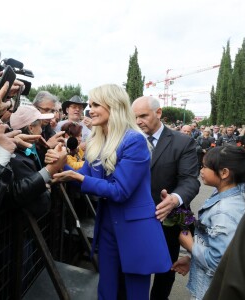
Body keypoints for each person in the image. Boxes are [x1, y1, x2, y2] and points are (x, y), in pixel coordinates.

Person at [51, 84, 171, 300]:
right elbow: (85, 179)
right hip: (107, 226)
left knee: (134, 294)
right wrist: (60, 165)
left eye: (96, 104)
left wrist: (77, 177)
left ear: (114, 106)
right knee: (107, 290)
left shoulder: (134, 140)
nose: (90, 110)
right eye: (90, 105)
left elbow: (120, 191)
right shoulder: (98, 140)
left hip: (135, 229)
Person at [171, 145, 245, 300]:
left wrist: (190, 245)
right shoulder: (231, 192)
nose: (201, 170)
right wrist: (191, 258)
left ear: (224, 173)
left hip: (212, 289)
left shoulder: (225, 211)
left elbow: (218, 262)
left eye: (205, 166)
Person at [132, 96, 200, 300]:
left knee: (165, 274)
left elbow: (190, 181)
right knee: (134, 274)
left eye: (143, 116)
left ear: (159, 113)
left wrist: (175, 198)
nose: (138, 122)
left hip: (167, 222)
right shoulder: (128, 139)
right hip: (133, 222)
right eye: (134, 117)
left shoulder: (183, 142)